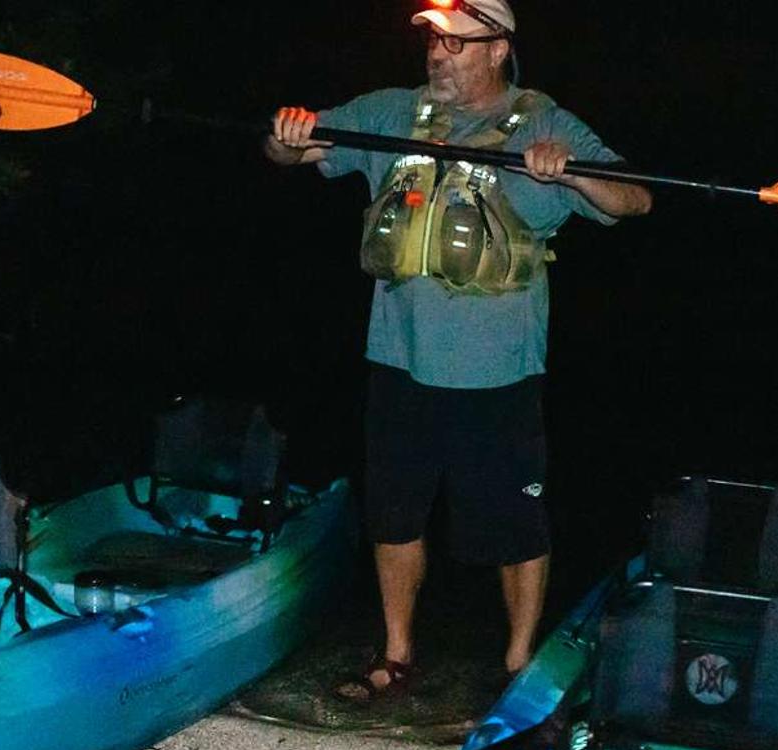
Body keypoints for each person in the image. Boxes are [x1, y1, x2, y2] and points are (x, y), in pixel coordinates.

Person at [265, 0, 651, 702]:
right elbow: (294, 151)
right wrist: (289, 140)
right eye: (433, 42)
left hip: (499, 370)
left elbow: (633, 200)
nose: (438, 55)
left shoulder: (545, 121)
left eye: (456, 44)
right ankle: (396, 653)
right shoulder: (391, 112)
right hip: (397, 357)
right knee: (394, 512)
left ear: (498, 49)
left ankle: (516, 662)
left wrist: (568, 173)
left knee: (515, 523)